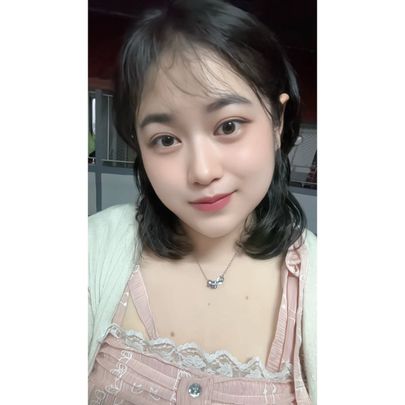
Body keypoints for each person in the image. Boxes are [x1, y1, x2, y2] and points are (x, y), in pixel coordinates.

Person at [88, 0, 317, 404]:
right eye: (166, 140)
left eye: (228, 126)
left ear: (278, 121)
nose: (202, 171)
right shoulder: (92, 248)